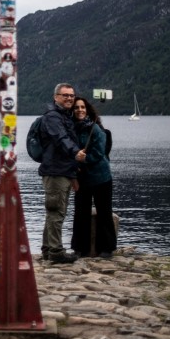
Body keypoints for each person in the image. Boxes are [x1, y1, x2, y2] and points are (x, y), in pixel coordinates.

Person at [38, 83, 86, 264]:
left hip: (62, 171)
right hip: (55, 172)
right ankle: (56, 252)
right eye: (65, 95)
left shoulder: (64, 116)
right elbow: (61, 138)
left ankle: (48, 250)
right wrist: (76, 152)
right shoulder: (52, 117)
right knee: (56, 213)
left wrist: (73, 173)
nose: (69, 98)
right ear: (56, 97)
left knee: (54, 213)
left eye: (71, 95)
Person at [70, 97, 117, 258]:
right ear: (72, 111)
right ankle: (80, 249)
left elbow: (99, 152)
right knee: (80, 213)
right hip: (82, 178)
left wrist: (84, 159)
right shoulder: (70, 129)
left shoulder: (95, 128)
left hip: (101, 177)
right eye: (76, 107)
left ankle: (107, 248)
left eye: (82, 107)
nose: (80, 110)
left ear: (87, 110)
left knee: (104, 211)